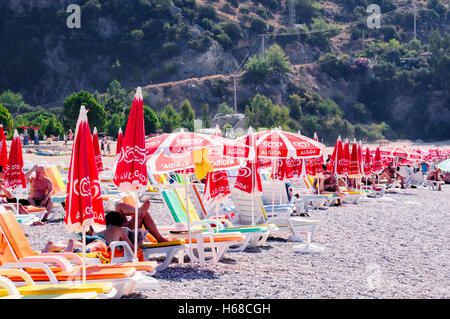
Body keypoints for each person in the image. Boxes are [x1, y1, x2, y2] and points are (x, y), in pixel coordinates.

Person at [42, 211, 136, 254]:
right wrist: (138, 243)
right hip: (101, 241)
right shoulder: (119, 229)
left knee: (78, 243)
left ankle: (55, 246)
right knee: (94, 245)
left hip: (91, 238)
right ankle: (82, 250)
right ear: (119, 223)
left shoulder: (102, 227)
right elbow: (131, 248)